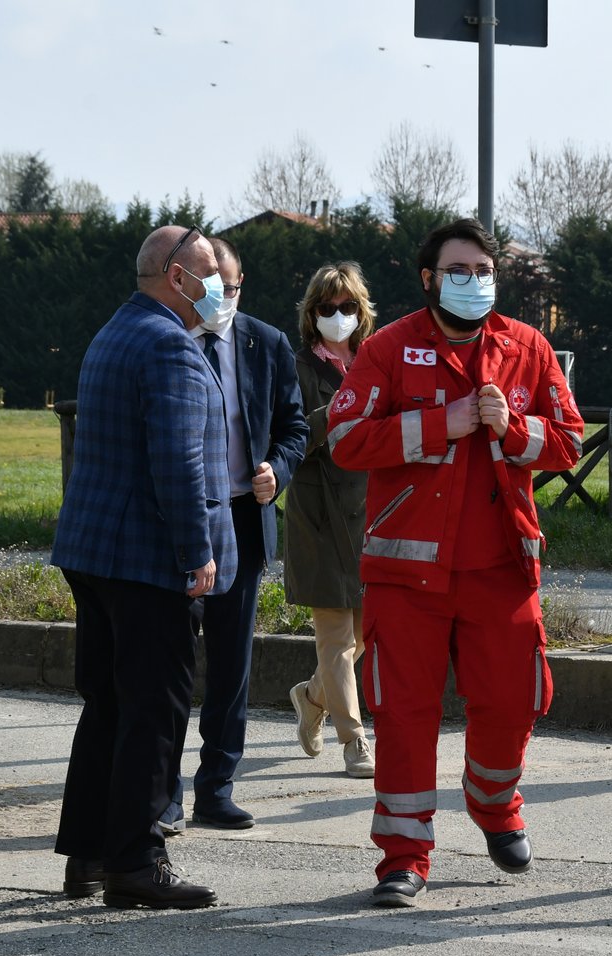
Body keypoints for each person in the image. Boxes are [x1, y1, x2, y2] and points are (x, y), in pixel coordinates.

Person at [328, 218, 584, 907]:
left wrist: (512, 427)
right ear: (428, 279)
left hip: (502, 567)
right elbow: (346, 438)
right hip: (405, 575)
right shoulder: (388, 347)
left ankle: (494, 802)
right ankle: (403, 856)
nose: (473, 282)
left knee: (513, 699)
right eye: (458, 270)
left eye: (483, 270)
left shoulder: (528, 348)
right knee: (404, 711)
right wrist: (446, 421)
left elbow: (567, 442)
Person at [51, 224, 237, 910]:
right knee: (154, 713)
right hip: (150, 560)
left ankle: (90, 855)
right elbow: (178, 466)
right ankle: (137, 859)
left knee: (107, 707)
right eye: (210, 268)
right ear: (176, 277)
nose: (219, 281)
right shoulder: (172, 349)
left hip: (95, 552)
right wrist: (198, 552)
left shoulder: (114, 332)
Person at [160, 236, 308, 832]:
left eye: (232, 284)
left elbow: (295, 424)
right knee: (170, 664)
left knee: (231, 664)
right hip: (177, 523)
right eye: (210, 283)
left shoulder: (265, 343)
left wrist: (280, 466)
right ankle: (163, 792)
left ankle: (216, 786)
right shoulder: (167, 340)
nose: (222, 295)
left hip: (244, 518)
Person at [284, 262, 378, 779]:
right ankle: (355, 740)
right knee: (337, 637)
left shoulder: (376, 360)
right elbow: (294, 439)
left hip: (370, 510)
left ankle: (311, 695)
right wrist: (338, 408)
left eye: (347, 307)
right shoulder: (295, 365)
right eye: (327, 308)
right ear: (312, 313)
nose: (338, 316)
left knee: (363, 633)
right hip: (318, 515)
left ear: (361, 312)